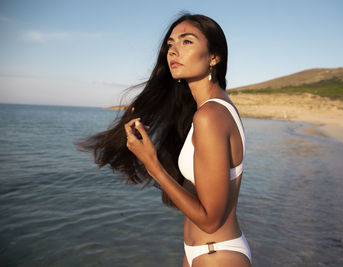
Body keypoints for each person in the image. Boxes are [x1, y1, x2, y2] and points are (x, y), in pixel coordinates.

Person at [78, 13, 251, 267]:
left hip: (217, 256)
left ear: (214, 57)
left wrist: (152, 165)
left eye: (187, 42)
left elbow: (211, 220)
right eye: (170, 44)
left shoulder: (210, 115)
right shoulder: (210, 110)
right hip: (201, 253)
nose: (173, 51)